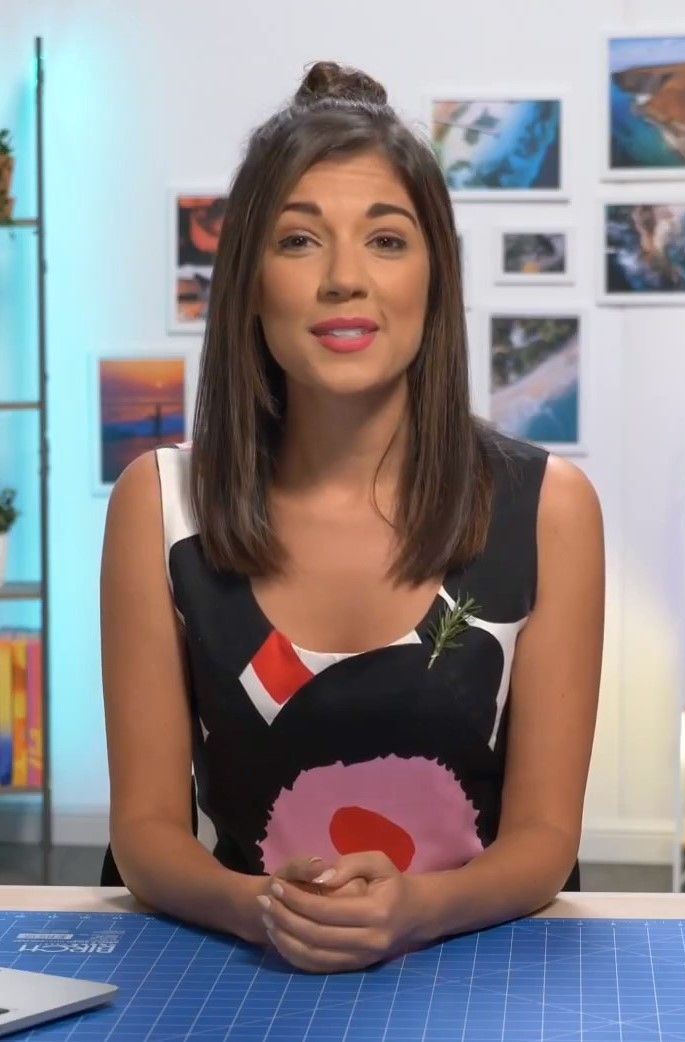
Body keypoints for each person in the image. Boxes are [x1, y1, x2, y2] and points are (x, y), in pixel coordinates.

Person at [100, 60, 604, 974]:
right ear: (249, 282)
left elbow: (542, 838)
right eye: (298, 241)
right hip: (241, 972)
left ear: (433, 275)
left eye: (385, 239)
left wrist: (415, 911)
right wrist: (264, 911)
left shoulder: (547, 509)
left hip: (474, 976)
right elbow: (143, 831)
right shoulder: (159, 506)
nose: (343, 279)